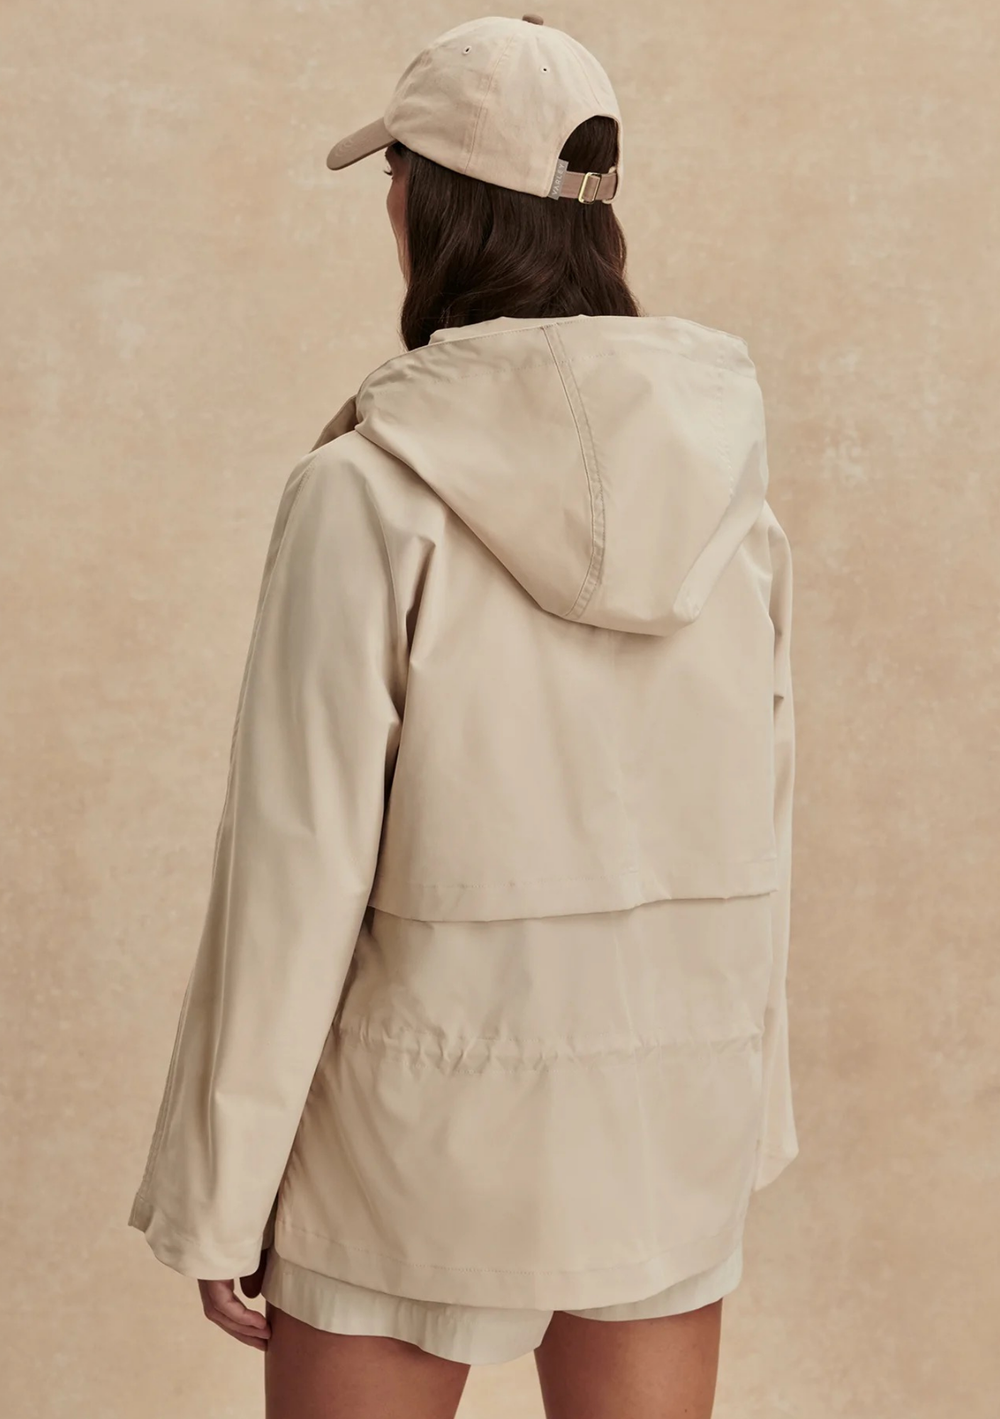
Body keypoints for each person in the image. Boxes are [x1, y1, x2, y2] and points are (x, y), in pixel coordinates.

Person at [127, 14, 799, 1418]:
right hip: (658, 1129)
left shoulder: (367, 493)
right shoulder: (734, 504)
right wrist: (740, 1113)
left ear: (425, 201)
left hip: (408, 1142)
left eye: (394, 177)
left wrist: (222, 1191)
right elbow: (762, 837)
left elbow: (293, 871)